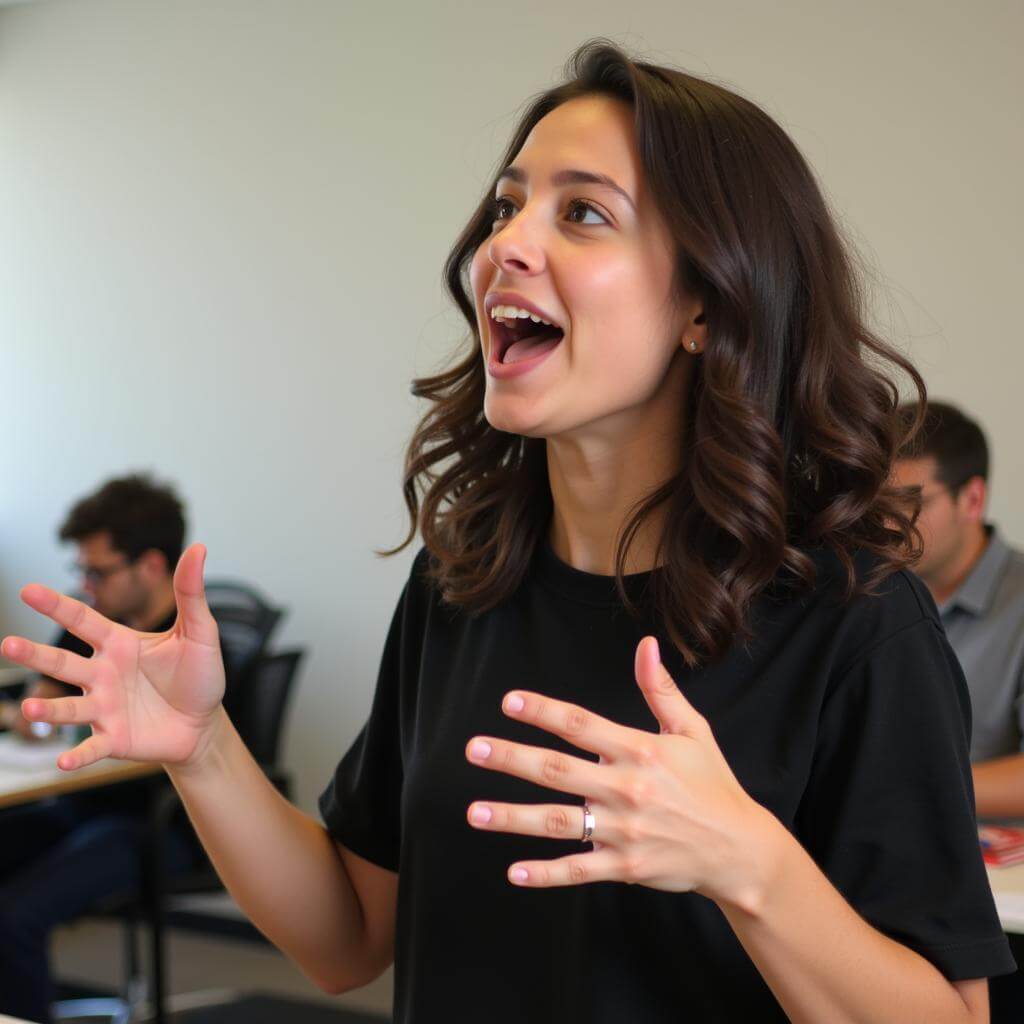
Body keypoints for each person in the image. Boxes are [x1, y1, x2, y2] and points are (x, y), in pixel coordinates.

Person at [2, 41, 1014, 1023]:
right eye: (506, 205)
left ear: (705, 303)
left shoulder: (854, 621)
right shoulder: (464, 581)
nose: (504, 245)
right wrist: (204, 749)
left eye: (582, 212)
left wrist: (749, 865)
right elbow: (347, 935)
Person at [0, 474, 200, 1023]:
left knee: (13, 918)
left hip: (160, 822)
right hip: (78, 806)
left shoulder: (195, 645)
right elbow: (37, 710)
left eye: (98, 571)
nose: (87, 585)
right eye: (82, 571)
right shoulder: (96, 625)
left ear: (152, 566)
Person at [893, 402, 1024, 821]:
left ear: (972, 499)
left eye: (911, 503)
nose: (889, 525)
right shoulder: (865, 594)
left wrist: (906, 787)